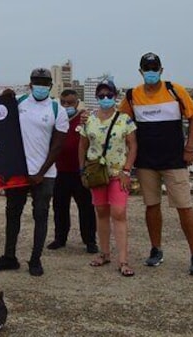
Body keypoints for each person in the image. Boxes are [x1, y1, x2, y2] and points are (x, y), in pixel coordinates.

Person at [119, 52, 193, 275]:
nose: (150, 72)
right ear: (140, 71)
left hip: (174, 160)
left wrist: (189, 148)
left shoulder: (174, 90)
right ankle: (156, 249)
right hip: (146, 161)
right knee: (151, 206)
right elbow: (118, 121)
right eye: (146, 69)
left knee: (184, 207)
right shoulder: (132, 95)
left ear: (161, 70)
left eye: (154, 68)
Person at [0, 68, 69, 276]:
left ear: (50, 86)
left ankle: (35, 259)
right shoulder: (20, 102)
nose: (40, 86)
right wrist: (4, 99)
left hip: (44, 173)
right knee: (12, 213)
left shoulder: (57, 109)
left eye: (44, 82)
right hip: (18, 171)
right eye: (37, 82)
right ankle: (9, 256)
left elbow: (57, 146)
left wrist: (41, 172)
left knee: (40, 215)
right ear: (30, 84)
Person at [79, 79, 138, 276]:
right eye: (102, 96)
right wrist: (82, 169)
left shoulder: (125, 120)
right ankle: (104, 253)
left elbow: (133, 146)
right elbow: (83, 145)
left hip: (118, 173)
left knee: (119, 213)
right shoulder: (89, 120)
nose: (105, 99)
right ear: (97, 98)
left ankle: (123, 259)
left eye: (109, 96)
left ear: (115, 97)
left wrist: (127, 170)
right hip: (97, 173)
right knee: (102, 212)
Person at [47, 89, 98, 253]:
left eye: (70, 102)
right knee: (60, 207)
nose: (67, 105)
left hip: (80, 171)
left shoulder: (85, 120)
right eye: (64, 102)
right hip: (59, 171)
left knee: (86, 208)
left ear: (77, 103)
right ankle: (60, 238)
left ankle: (90, 240)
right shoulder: (55, 118)